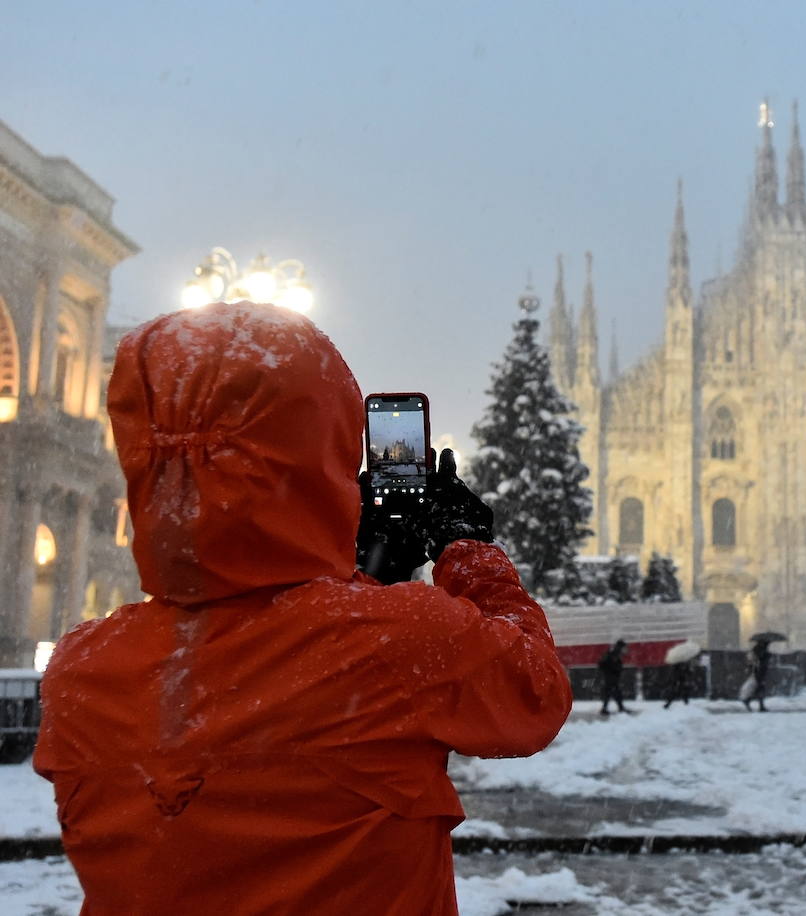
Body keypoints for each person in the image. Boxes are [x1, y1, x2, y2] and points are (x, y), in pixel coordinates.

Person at [33, 302, 572, 915]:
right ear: (322, 453)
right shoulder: (396, 644)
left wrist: (358, 577)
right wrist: (466, 546)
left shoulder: (81, 671)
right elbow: (535, 691)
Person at [598, 639, 629, 714]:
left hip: (611, 677)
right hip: (611, 677)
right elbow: (609, 664)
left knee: (611, 693)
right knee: (614, 692)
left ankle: (607, 708)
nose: (625, 649)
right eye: (624, 647)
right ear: (620, 647)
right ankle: (618, 708)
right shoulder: (614, 653)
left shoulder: (614, 652)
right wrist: (615, 670)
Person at [743, 638, 771, 711]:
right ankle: (748, 701)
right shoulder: (759, 650)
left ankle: (759, 705)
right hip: (759, 672)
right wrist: (767, 655)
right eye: (767, 643)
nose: (768, 645)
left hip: (760, 672)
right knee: (759, 688)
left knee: (759, 689)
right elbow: (761, 661)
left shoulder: (758, 649)